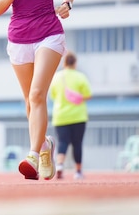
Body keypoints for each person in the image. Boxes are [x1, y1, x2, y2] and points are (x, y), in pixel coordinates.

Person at [0, 0, 76, 181]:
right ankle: (44, 147)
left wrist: (67, 3)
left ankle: (31, 154)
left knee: (38, 94)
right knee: (30, 100)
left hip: (49, 34)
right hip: (19, 37)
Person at [50, 52, 92, 180]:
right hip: (78, 116)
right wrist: (78, 97)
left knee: (62, 142)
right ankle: (78, 172)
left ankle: (60, 166)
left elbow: (52, 96)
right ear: (75, 63)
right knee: (77, 144)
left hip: (60, 116)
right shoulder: (80, 77)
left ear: (64, 63)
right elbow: (88, 95)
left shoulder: (56, 78)